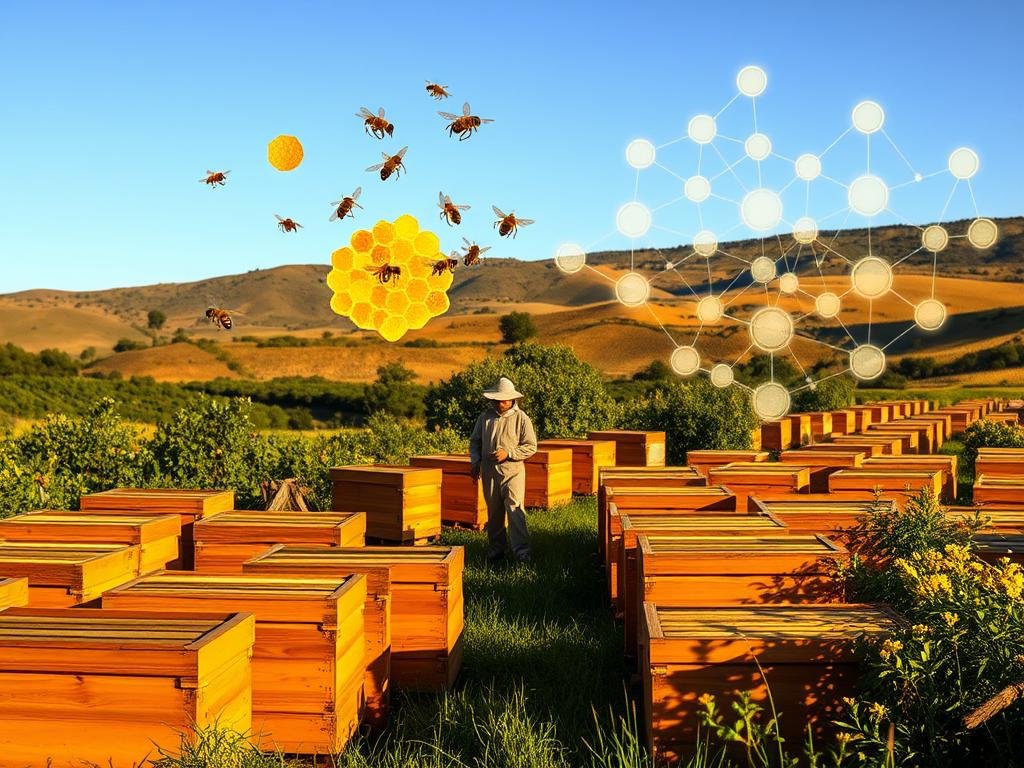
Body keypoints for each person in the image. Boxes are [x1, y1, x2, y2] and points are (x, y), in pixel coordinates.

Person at [469, 376, 538, 565]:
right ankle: (496, 551)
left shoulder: (522, 418)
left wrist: (509, 453)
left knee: (515, 511)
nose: (501, 403)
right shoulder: (485, 417)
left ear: (512, 399)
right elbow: (475, 442)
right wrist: (475, 462)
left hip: (513, 472)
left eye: (504, 400)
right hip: (489, 473)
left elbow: (531, 446)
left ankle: (522, 554)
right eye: (498, 400)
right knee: (494, 513)